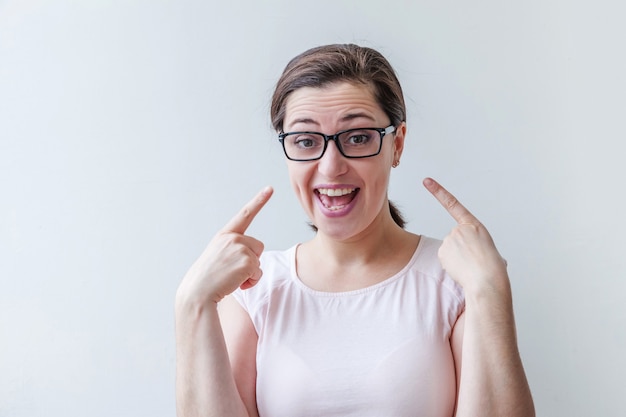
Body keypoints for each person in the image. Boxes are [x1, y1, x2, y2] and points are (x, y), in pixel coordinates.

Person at [175, 44, 535, 417]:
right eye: (306, 141)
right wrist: (192, 304)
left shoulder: (458, 282)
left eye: (358, 137)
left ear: (397, 144)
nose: (331, 167)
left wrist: (490, 292)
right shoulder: (254, 291)